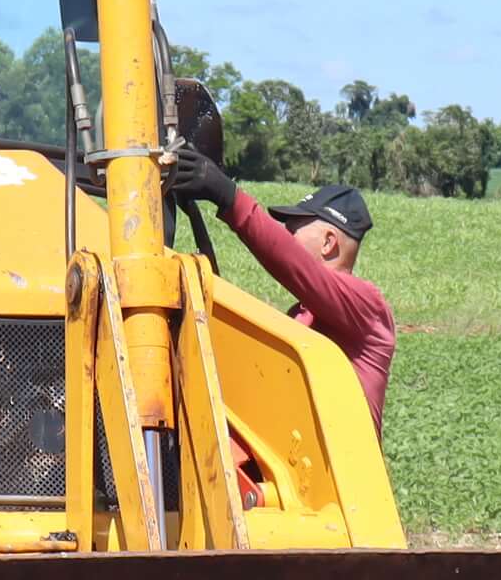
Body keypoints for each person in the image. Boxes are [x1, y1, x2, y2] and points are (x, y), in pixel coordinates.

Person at [162, 157, 394, 427]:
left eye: (292, 231)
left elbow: (297, 265)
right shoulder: (301, 316)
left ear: (329, 242)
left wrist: (229, 197)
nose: (286, 236)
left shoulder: (367, 306)